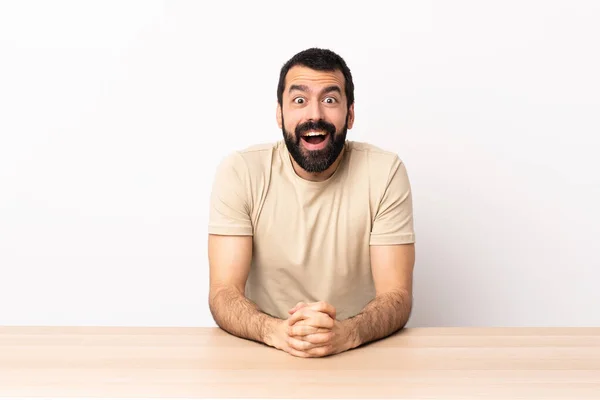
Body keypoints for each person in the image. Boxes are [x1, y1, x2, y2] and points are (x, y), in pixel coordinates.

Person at [208, 48, 416, 358]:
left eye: (330, 100)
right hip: (264, 351)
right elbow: (223, 293)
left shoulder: (385, 172)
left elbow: (397, 296)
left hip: (358, 354)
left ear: (350, 114)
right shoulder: (241, 171)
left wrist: (347, 333)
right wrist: (277, 332)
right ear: (280, 113)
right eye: (299, 100)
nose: (314, 114)